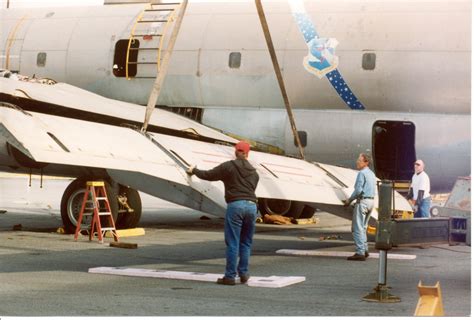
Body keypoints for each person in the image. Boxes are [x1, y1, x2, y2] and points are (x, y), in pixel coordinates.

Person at [186, 141, 259, 285]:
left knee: (233, 243)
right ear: (247, 153)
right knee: (246, 243)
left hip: (236, 205)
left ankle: (230, 277)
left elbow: (209, 175)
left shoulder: (228, 167)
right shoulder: (254, 172)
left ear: (235, 152)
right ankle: (243, 274)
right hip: (252, 206)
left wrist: (194, 170)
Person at [344, 153, 376, 261]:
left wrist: (349, 200)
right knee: (363, 227)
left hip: (362, 202)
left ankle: (360, 252)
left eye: (360, 160)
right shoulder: (371, 174)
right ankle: (365, 249)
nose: (357, 161)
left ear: (366, 162)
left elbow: (358, 190)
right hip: (371, 202)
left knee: (357, 228)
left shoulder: (361, 173)